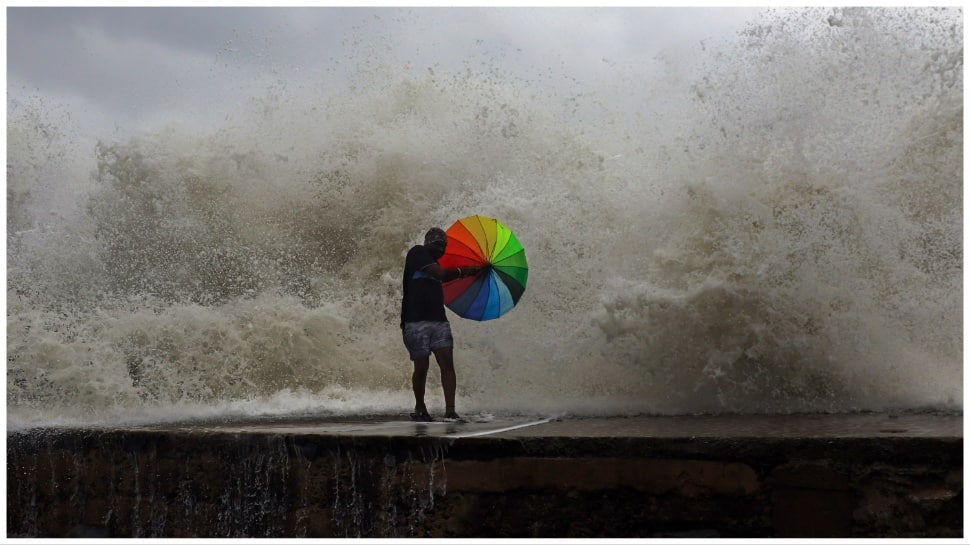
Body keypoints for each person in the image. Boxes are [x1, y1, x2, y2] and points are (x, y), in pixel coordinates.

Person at [401, 227, 480, 422]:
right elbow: (441, 274)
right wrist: (465, 271)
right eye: (438, 245)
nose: (441, 249)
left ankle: (450, 411)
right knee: (421, 367)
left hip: (439, 321)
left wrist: (477, 272)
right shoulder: (417, 253)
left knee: (447, 364)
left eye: (444, 246)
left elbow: (443, 275)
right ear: (428, 243)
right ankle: (420, 407)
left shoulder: (436, 263)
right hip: (414, 321)